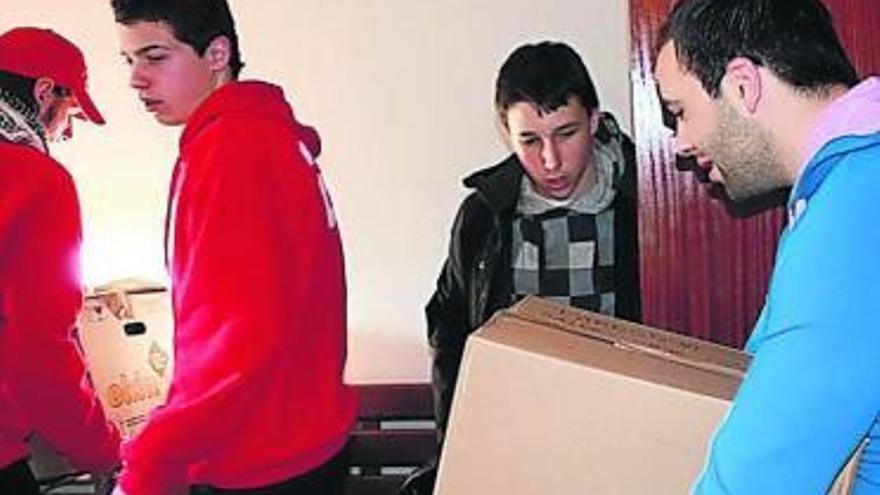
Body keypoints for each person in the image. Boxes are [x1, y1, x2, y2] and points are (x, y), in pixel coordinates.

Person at [109, 0, 358, 493]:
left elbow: (233, 345)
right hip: (290, 447)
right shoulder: (253, 138)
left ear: (217, 53)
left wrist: (149, 463)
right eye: (130, 60)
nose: (137, 78)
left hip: (260, 462)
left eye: (155, 57)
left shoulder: (235, 150)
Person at [654, 0, 880, 492]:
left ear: (742, 85)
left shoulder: (854, 211)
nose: (680, 141)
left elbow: (760, 478)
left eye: (681, 112)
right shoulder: (850, 187)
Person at [406, 41, 642, 494]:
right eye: (530, 141)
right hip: (516, 447)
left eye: (567, 133)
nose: (550, 160)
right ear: (505, 133)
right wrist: (456, 442)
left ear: (594, 121)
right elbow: (450, 330)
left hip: (621, 443)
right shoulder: (483, 215)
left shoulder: (647, 205)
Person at [0, 27, 122, 493]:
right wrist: (104, 452)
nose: (65, 131)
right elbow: (39, 349)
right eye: (68, 113)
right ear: (43, 91)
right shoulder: (36, 181)